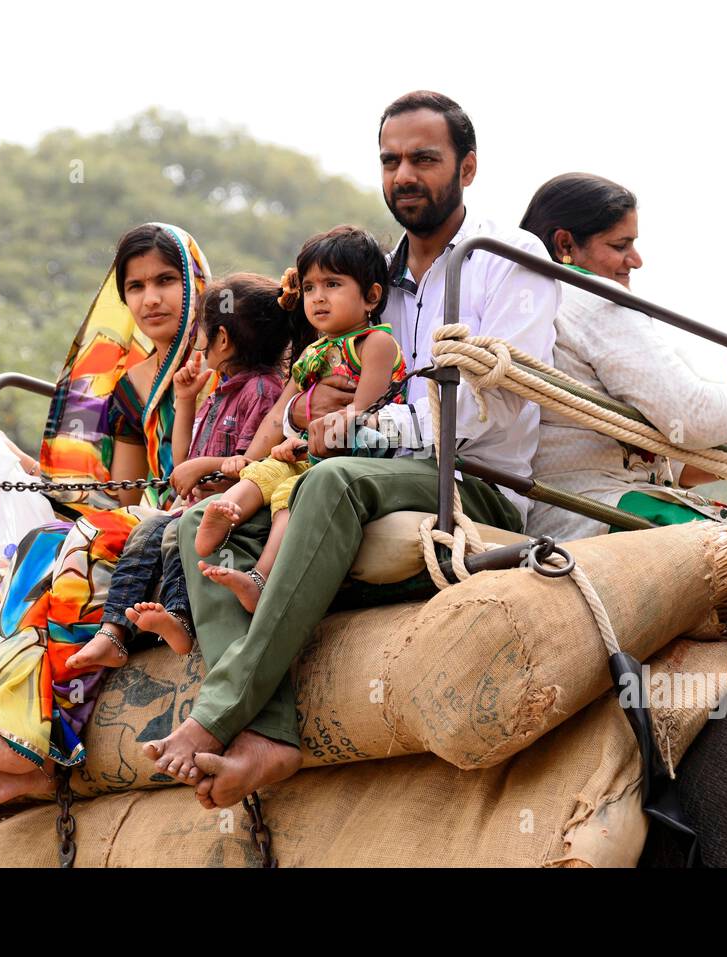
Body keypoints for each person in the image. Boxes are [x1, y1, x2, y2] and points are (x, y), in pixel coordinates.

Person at [148, 91, 560, 808]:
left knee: (330, 481)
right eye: (391, 160)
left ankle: (217, 710)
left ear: (467, 167)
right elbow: (307, 379)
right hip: (357, 467)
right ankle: (271, 731)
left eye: (424, 159)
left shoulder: (503, 257)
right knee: (196, 522)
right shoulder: (367, 281)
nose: (405, 174)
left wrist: (362, 427)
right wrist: (293, 423)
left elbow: (502, 402)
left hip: (471, 478)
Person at [0, 222, 212, 806]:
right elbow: (125, 495)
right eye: (135, 287)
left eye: (166, 280)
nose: (151, 298)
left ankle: (20, 744)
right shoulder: (127, 385)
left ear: (199, 284)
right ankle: (7, 739)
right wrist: (25, 466)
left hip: (209, 517)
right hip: (141, 524)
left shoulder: (232, 356)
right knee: (31, 553)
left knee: (62, 554)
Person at [519, 172, 727, 539]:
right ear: (566, 244)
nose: (635, 260)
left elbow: (643, 451)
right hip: (596, 512)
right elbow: (692, 416)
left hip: (554, 515)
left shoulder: (534, 301)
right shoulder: (593, 300)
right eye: (621, 245)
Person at [73, 273, 308, 667]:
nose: (195, 339)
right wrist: (185, 401)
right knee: (145, 532)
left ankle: (179, 620)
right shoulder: (217, 389)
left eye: (202, 329)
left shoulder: (263, 391)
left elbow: (252, 466)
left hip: (225, 510)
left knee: (171, 533)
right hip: (188, 506)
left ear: (222, 340)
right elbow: (183, 464)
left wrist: (209, 466)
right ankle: (113, 632)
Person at [195, 227, 405, 611]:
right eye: (309, 288)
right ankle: (222, 518)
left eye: (333, 284)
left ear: (372, 296)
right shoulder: (314, 352)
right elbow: (279, 413)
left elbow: (364, 416)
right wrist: (252, 460)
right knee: (263, 475)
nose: (318, 297)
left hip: (349, 460)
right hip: (305, 452)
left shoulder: (375, 344)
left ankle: (260, 578)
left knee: (290, 496)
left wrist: (303, 442)